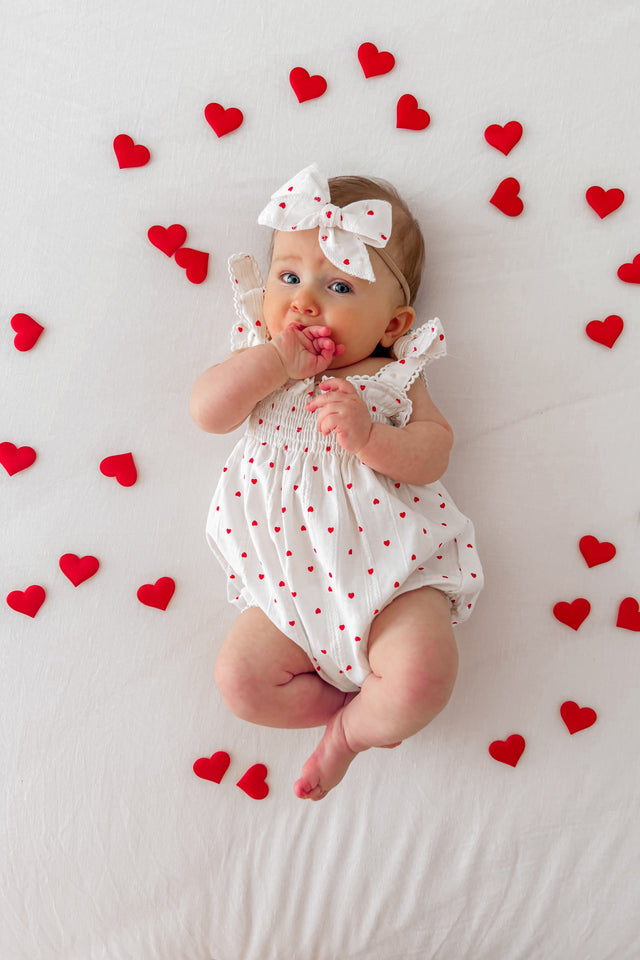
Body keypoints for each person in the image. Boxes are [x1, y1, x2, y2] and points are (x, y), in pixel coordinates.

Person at [191, 163, 483, 800]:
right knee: (239, 682)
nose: (303, 302)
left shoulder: (393, 376)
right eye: (289, 278)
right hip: (287, 597)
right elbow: (208, 411)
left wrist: (373, 439)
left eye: (341, 287)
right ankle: (345, 702)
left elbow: (434, 453)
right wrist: (272, 360)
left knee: (422, 680)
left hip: (392, 581)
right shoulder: (262, 364)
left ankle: (349, 734)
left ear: (392, 326)